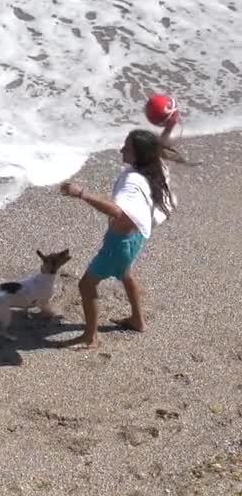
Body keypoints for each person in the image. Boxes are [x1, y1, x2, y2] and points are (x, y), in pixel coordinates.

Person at [59, 112, 183, 349]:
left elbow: (118, 212)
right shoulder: (153, 165)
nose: (121, 150)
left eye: (126, 147)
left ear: (137, 153)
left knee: (86, 285)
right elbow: (160, 145)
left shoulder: (132, 182)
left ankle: (90, 336)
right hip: (136, 237)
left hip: (120, 243)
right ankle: (138, 320)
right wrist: (171, 124)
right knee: (125, 273)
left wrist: (81, 194)